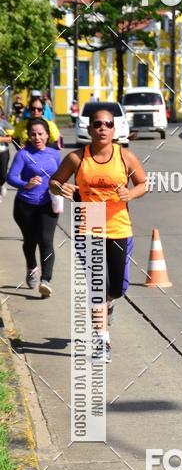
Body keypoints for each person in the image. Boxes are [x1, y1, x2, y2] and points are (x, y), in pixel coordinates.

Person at [50, 106, 147, 363]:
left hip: (118, 225)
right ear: (89, 128)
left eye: (107, 124)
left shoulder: (125, 157)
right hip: (89, 224)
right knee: (95, 286)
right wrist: (62, 188)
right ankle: (102, 341)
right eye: (97, 124)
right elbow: (54, 181)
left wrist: (131, 193)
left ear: (114, 130)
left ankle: (109, 302)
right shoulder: (76, 158)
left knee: (117, 287)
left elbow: (143, 183)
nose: (102, 128)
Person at [7, 118, 61, 296]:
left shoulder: (55, 154)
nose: (37, 137)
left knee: (46, 241)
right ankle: (31, 267)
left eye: (40, 134)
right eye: (33, 134)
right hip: (25, 206)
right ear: (28, 136)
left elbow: (61, 176)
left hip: (47, 204)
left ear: (47, 135)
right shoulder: (23, 154)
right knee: (30, 241)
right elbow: (11, 177)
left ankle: (46, 280)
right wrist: (26, 184)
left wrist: (61, 186)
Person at [0, 107, 12, 201]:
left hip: (3, 152)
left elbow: (11, 137)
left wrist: (8, 138)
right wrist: (4, 139)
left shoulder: (4, 123)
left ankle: (1, 184)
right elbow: (7, 139)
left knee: (3, 174)